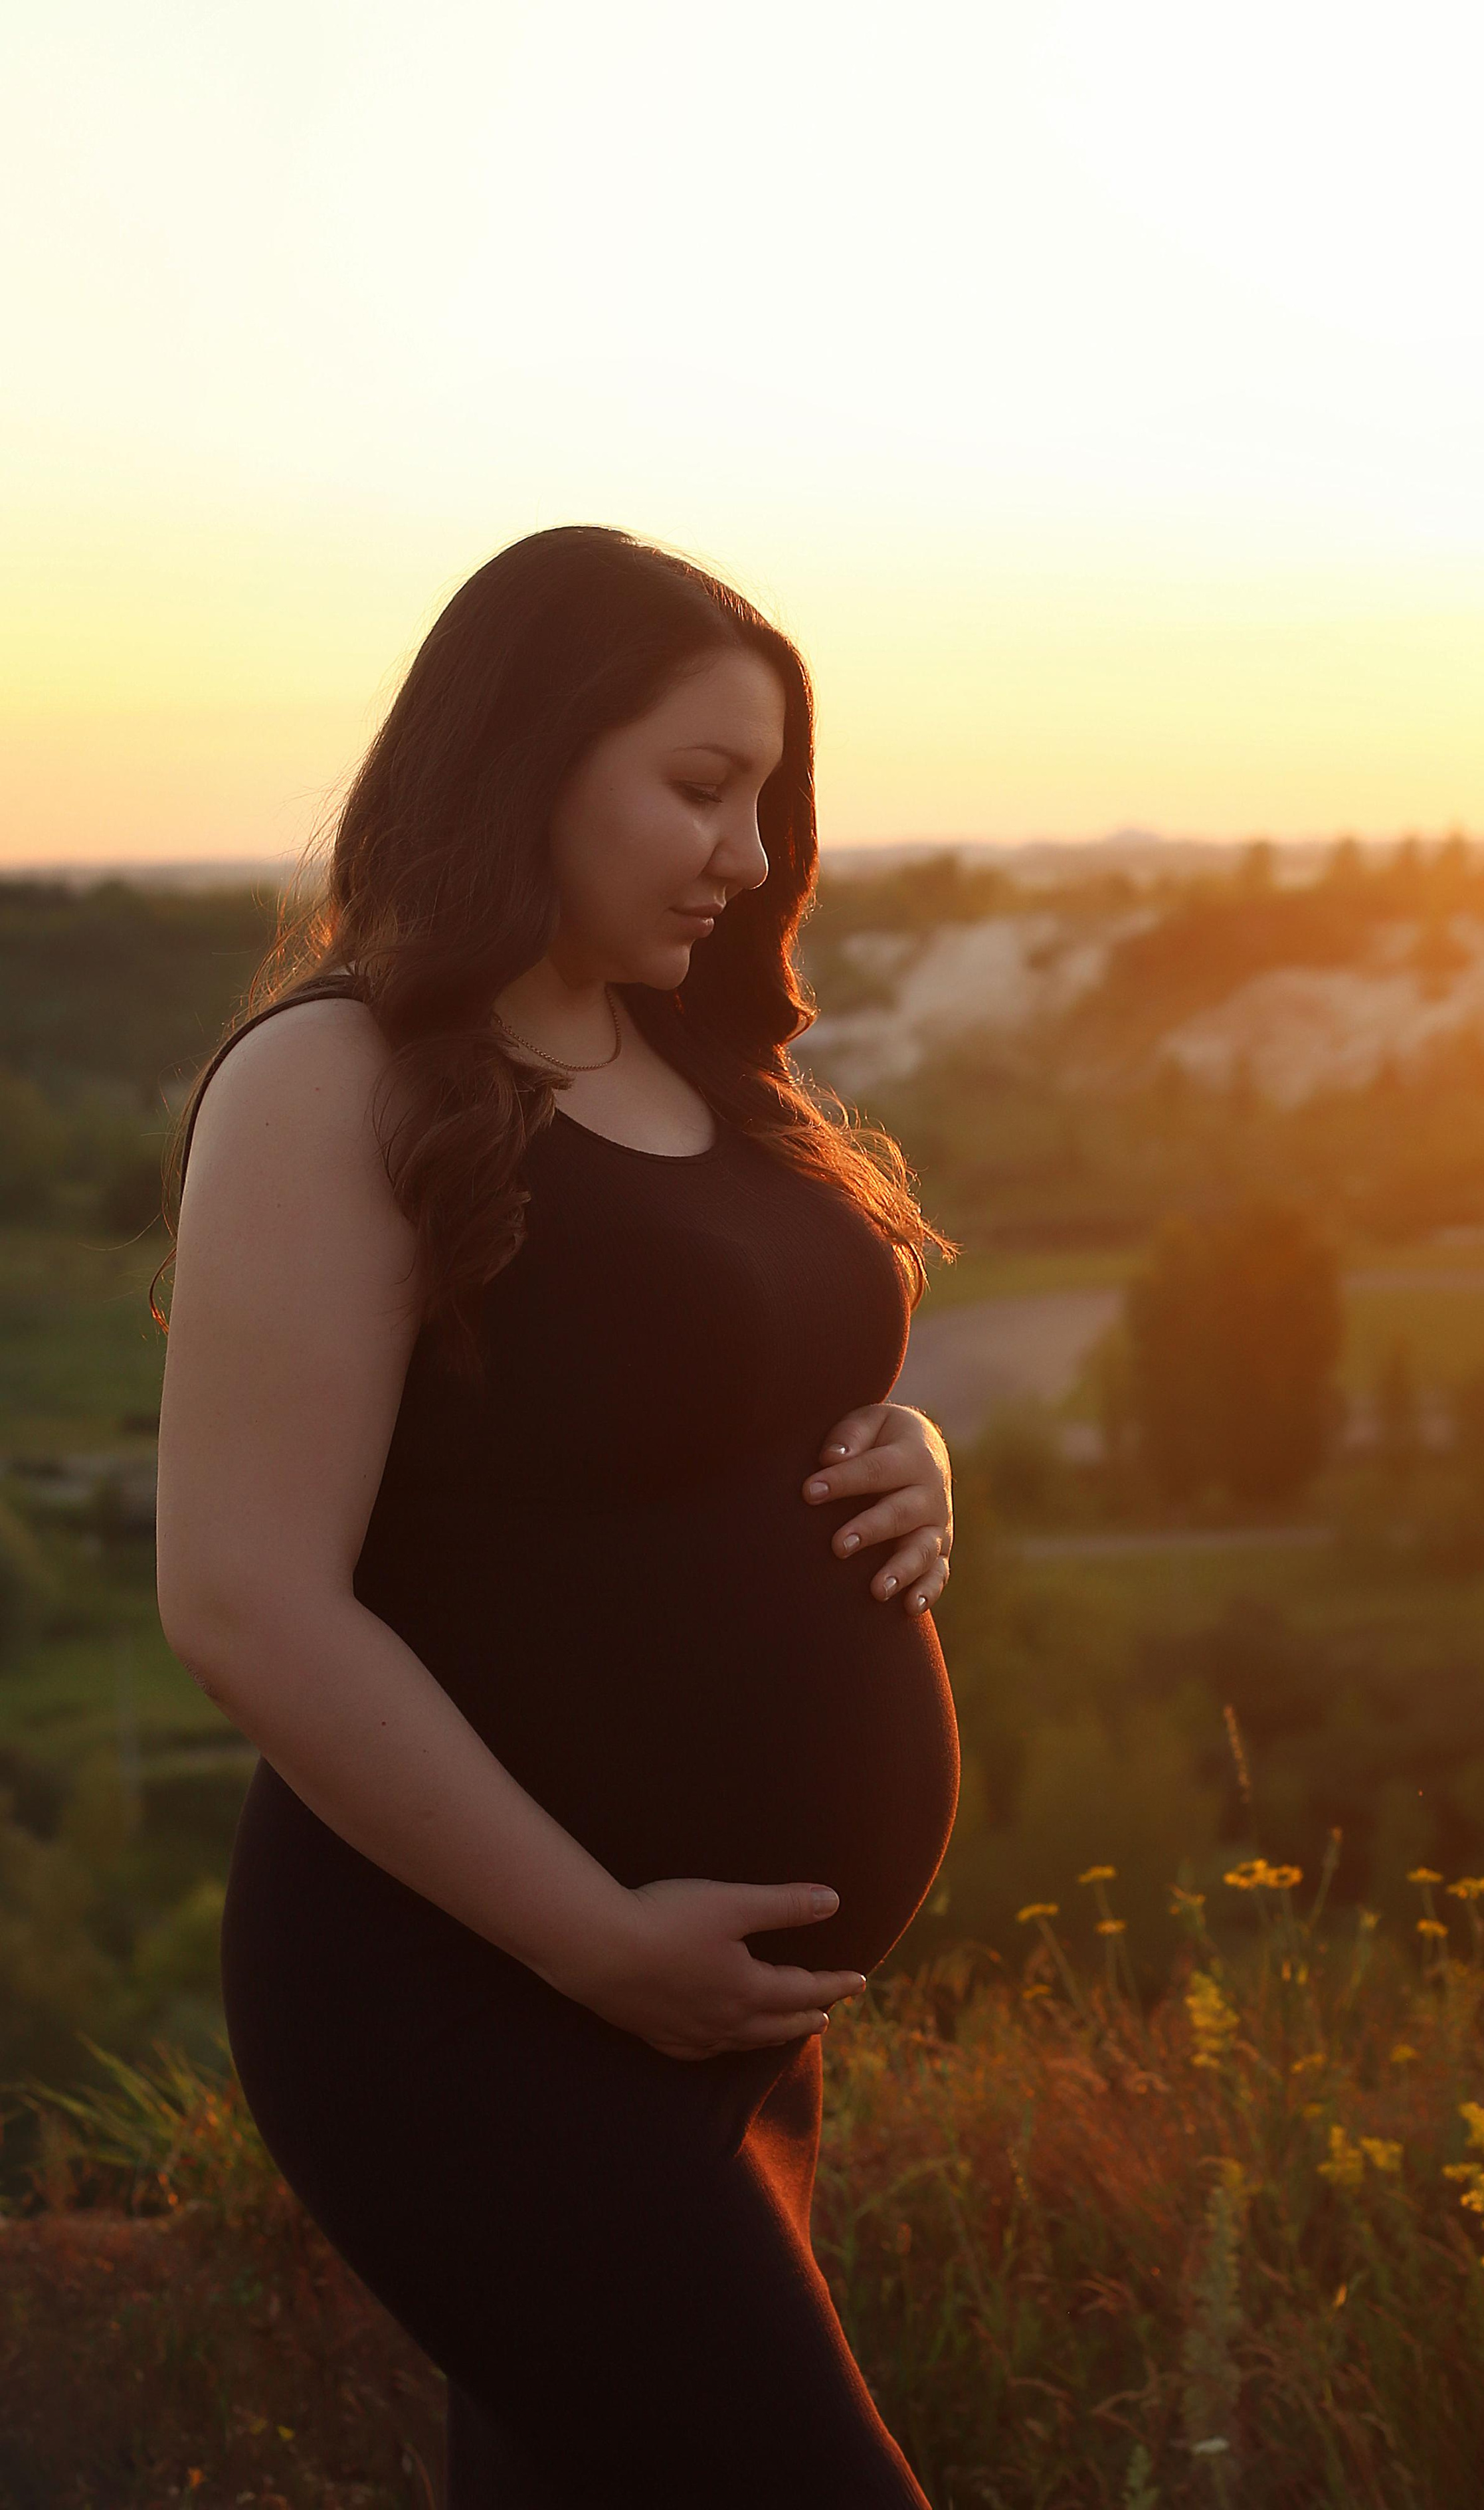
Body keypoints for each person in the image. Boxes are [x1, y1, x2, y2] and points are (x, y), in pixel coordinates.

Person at [152, 526, 961, 2508]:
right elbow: (244, 1599)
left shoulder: (689, 1058)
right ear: (525, 760)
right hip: (471, 2005)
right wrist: (592, 1941)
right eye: (700, 788)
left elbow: (698, 1412)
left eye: (769, 798)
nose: (751, 854)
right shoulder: (334, 1080)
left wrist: (923, 1463)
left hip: (710, 2022)